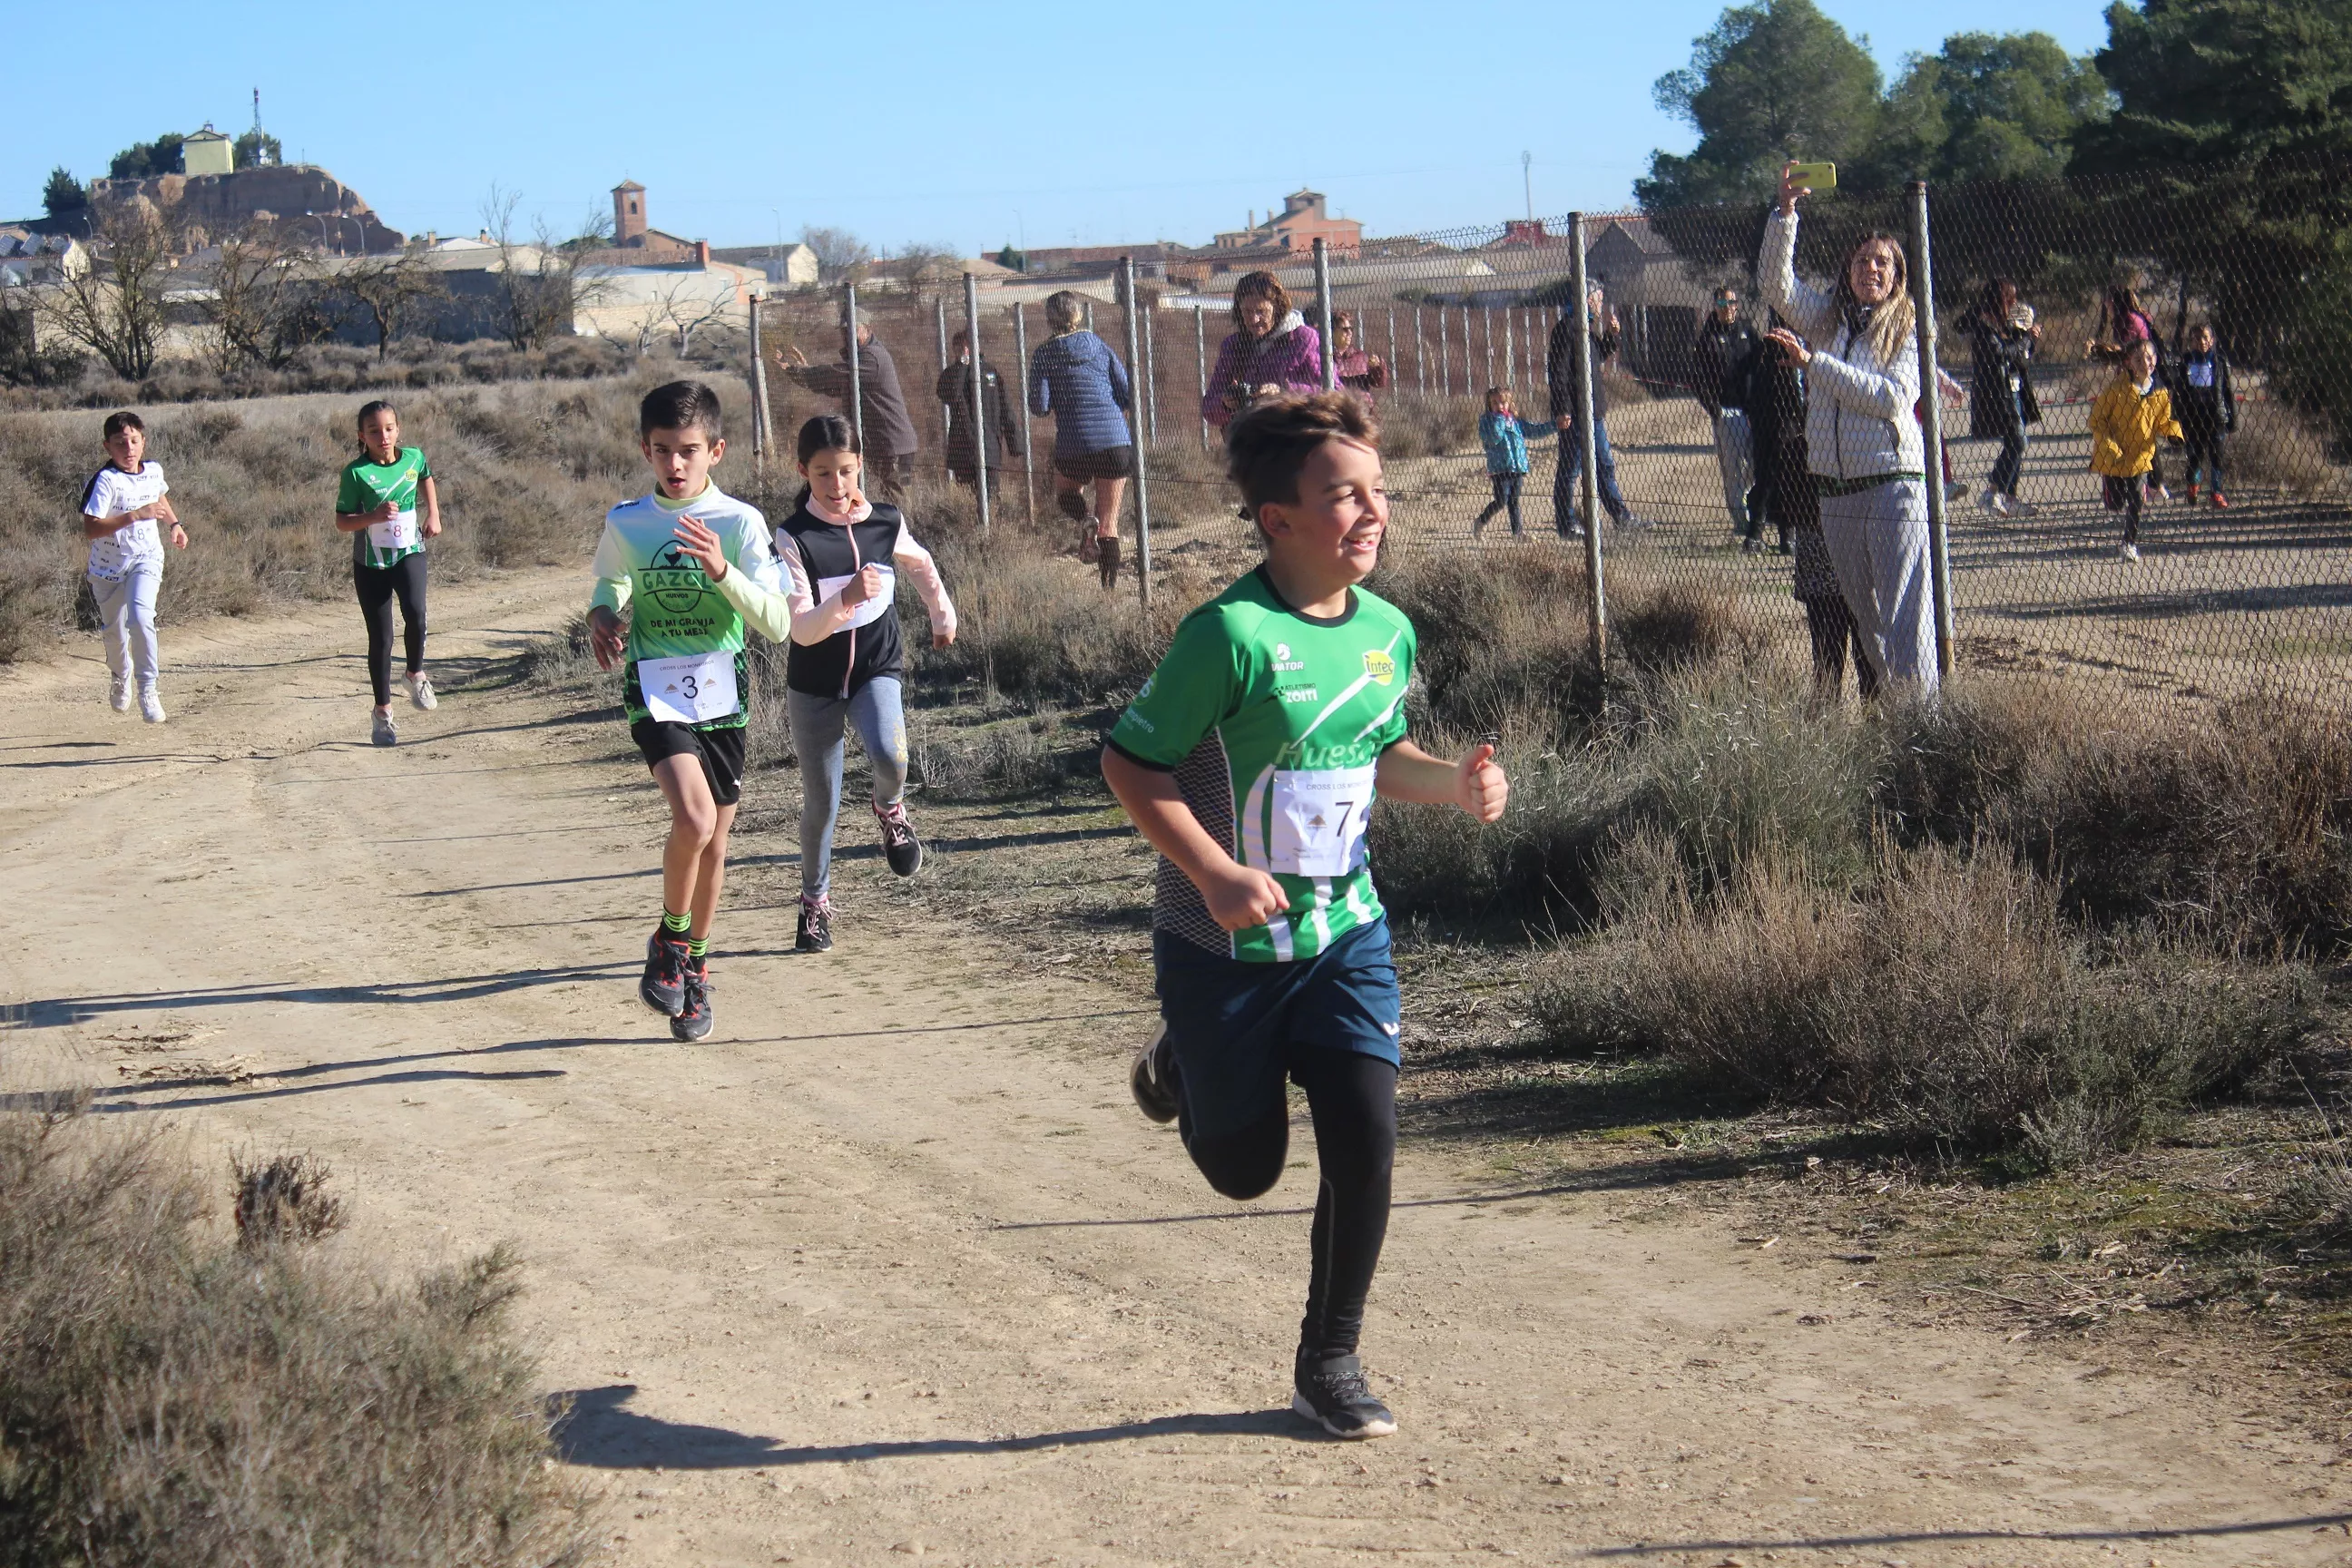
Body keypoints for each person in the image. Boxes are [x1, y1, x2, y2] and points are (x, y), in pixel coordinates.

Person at [1103, 391, 1508, 1441]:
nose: (1371, 514)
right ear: (1278, 517)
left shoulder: (1389, 631)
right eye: (1344, 497)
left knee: (1366, 1142)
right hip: (1222, 947)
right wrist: (1210, 871)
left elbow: (1378, 755)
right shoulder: (1226, 636)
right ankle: (1178, 1064)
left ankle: (1329, 1360)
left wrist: (1451, 786)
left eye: (1378, 493)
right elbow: (1130, 762)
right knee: (1245, 1172)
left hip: (1344, 938)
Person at [587, 381, 791, 1044]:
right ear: (646, 450)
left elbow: (779, 622)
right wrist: (601, 616)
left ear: (716, 451)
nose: (676, 465)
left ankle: (696, 971)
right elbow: (611, 582)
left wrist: (722, 573)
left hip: (722, 691)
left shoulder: (739, 523)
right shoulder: (628, 521)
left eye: (689, 451)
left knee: (716, 846)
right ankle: (670, 941)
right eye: (663, 451)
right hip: (654, 686)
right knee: (694, 818)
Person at [774, 415, 957, 955]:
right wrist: (848, 597)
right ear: (803, 471)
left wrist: (941, 615)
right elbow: (802, 630)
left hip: (876, 668)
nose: (836, 486)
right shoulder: (794, 538)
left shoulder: (884, 522)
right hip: (815, 685)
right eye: (823, 473)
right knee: (822, 804)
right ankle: (815, 905)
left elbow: (921, 565)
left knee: (892, 757)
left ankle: (891, 808)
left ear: (861, 468)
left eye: (847, 471)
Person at [1759, 161, 1936, 696]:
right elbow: (1774, 285)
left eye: (1883, 263)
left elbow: (1892, 398)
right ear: (1848, 269)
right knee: (1869, 629)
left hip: (1891, 490)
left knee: (1906, 627)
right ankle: (1895, 732)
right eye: (1862, 261)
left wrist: (1815, 365)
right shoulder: (1830, 318)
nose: (1871, 270)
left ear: (1898, 276)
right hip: (1835, 494)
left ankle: (1926, 735)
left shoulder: (1910, 325)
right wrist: (1785, 213)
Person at [333, 400, 443, 747]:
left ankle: (415, 673)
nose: (383, 436)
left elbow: (425, 477)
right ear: (361, 436)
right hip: (371, 563)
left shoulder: (413, 457)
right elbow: (341, 522)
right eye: (374, 431)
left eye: (389, 428)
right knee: (381, 639)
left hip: (410, 551)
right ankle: (383, 714)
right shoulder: (356, 473)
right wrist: (373, 517)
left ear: (398, 429)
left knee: (417, 612)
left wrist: (433, 514)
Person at [79, 410, 186, 724]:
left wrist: (175, 524)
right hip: (107, 568)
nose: (128, 449)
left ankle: (148, 688)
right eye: (120, 443)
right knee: (114, 633)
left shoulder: (153, 471)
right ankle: (120, 673)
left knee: (141, 618)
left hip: (146, 557)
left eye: (134, 441)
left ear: (143, 442)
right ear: (107, 447)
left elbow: (160, 497)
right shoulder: (105, 481)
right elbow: (91, 529)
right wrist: (134, 516)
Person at [1028, 289, 1136, 588]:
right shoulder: (1100, 346)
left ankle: (1085, 519)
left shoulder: (1044, 354)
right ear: (1079, 315)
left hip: (1073, 442)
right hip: (1114, 440)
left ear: (1049, 320)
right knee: (1110, 523)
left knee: (1066, 494)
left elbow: (1038, 406)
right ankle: (1108, 590)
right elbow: (1126, 393)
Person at [1546, 283, 1643, 536]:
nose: (1601, 305)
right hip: (1575, 413)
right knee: (1571, 468)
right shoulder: (1567, 329)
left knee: (1604, 465)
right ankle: (1566, 523)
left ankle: (1621, 517)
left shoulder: (1586, 330)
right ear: (1587, 299)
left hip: (1593, 413)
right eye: (1598, 300)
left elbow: (1598, 355)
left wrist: (1612, 335)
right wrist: (1563, 409)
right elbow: (1557, 374)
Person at [786, 318, 920, 500]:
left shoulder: (871, 357)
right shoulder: (863, 358)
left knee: (895, 502)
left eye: (852, 329)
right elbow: (834, 385)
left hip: (891, 444)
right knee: (878, 498)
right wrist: (804, 373)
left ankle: (901, 528)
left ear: (868, 329)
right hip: (882, 443)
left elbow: (833, 375)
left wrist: (800, 373)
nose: (846, 335)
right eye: (843, 331)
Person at [2089, 337, 2181, 564]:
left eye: (2149, 357)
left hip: (2141, 455)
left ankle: (2129, 543)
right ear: (2129, 363)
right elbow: (2096, 420)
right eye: (2138, 359)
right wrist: (2108, 445)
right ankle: (2109, 491)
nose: (2145, 362)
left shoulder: (2159, 392)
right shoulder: (2116, 390)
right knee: (2116, 504)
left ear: (2156, 360)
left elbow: (2163, 419)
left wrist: (2174, 433)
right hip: (2115, 456)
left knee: (2137, 500)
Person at [1202, 272, 1325, 430]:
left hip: (1295, 438)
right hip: (1249, 443)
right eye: (1246, 311)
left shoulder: (1304, 339)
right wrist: (1226, 403)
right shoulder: (1233, 346)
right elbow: (1208, 408)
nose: (1253, 319)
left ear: (1278, 308)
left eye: (1261, 311)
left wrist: (1284, 393)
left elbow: (1332, 392)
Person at [1962, 279, 2042, 519]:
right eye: (2011, 299)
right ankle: (1992, 491)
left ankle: (2009, 497)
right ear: (2000, 301)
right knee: (2018, 441)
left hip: (2015, 390)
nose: (2015, 303)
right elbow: (2002, 354)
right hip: (1998, 395)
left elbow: (2020, 358)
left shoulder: (2006, 327)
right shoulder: (1984, 328)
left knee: (2016, 442)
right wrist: (2026, 340)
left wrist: (2030, 339)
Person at [1692, 284, 1763, 544]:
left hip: (1752, 410)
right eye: (1722, 305)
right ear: (1716, 307)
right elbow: (1698, 378)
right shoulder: (1708, 337)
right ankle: (1740, 518)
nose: (1728, 309)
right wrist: (1714, 409)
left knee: (1756, 462)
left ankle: (1748, 501)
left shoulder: (1747, 331)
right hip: (1727, 411)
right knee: (1732, 467)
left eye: (1732, 303)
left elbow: (1760, 361)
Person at [2088, 285, 2171, 500]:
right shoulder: (2128, 317)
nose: (2104, 306)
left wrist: (2101, 351)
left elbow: (2130, 352)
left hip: (2142, 382)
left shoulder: (2128, 320)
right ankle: (2150, 485)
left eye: (2106, 301)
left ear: (2112, 302)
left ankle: (2153, 484)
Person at [936, 328, 1024, 505]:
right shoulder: (952, 374)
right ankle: (971, 528)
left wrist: (1016, 444)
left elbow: (1006, 409)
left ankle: (992, 529)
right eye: (959, 348)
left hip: (989, 446)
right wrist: (962, 364)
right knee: (968, 499)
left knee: (991, 498)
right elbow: (949, 395)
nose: (964, 350)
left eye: (966, 346)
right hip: (964, 449)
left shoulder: (991, 373)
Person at [1745, 311, 1808, 555]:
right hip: (1784, 422)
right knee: (1782, 479)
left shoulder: (1766, 346)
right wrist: (1800, 418)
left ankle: (1764, 535)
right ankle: (1779, 537)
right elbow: (1793, 387)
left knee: (1771, 478)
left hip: (1770, 421)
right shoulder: (1782, 345)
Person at [1473, 387, 1554, 537]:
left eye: (1503, 402)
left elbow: (1535, 431)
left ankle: (1518, 534)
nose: (1499, 406)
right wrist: (1499, 420)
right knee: (1501, 500)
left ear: (1510, 403)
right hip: (1499, 469)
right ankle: (1481, 521)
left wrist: (1555, 425)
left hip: (1517, 467)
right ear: (1489, 405)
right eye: (1495, 403)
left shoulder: (1516, 422)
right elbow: (1494, 438)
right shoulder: (1487, 422)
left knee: (1514, 501)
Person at [2171, 321, 2236, 508]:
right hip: (2193, 417)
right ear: (2190, 342)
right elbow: (2178, 392)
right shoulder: (2185, 363)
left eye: (2205, 337)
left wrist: (2232, 417)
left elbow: (2227, 391)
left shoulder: (2219, 362)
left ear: (2212, 340)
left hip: (2215, 416)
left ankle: (2216, 492)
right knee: (2195, 456)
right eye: (2196, 338)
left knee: (2217, 456)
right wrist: (2176, 418)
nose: (2201, 342)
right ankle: (2193, 485)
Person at [1330, 311, 1390, 411]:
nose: (1349, 333)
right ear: (1333, 331)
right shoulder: (1325, 358)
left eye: (1351, 329)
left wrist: (1377, 368)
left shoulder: (1360, 357)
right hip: (1338, 410)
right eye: (1345, 329)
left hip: (1362, 410)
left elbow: (1380, 383)